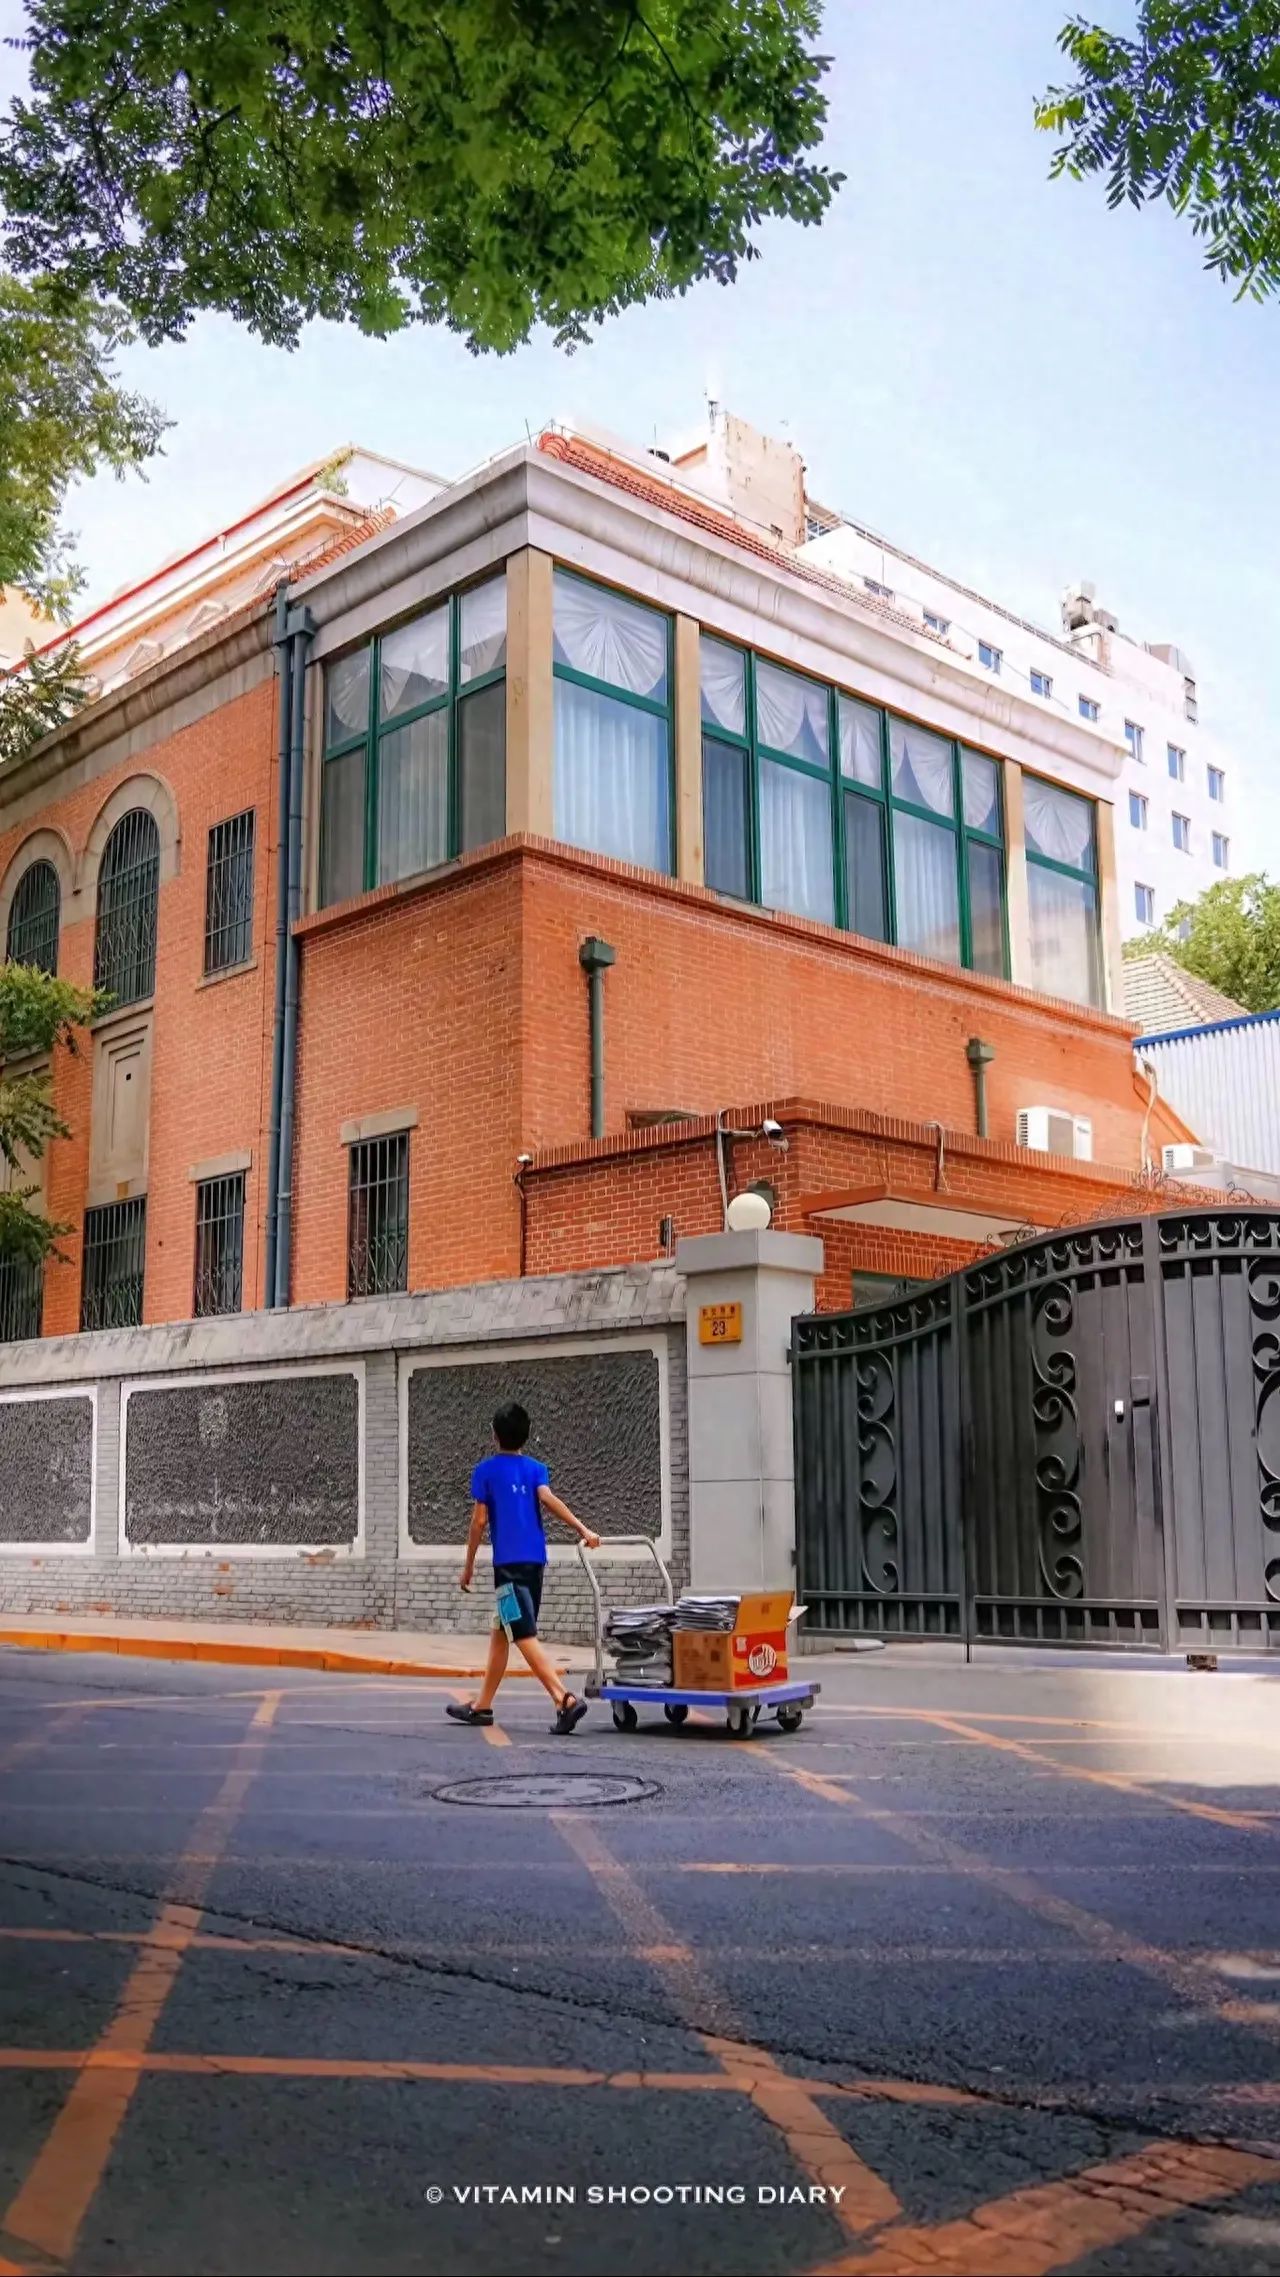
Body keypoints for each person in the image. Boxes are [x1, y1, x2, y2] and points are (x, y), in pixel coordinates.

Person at [447, 1400, 599, 1735]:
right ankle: (482, 1706)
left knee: (522, 1633)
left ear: (494, 1435)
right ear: (526, 1437)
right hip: (534, 1563)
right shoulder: (536, 1469)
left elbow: (479, 1521)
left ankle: (563, 1699)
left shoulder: (485, 1471)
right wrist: (583, 1529)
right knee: (502, 1632)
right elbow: (548, 1498)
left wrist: (468, 1566)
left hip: (508, 1567)